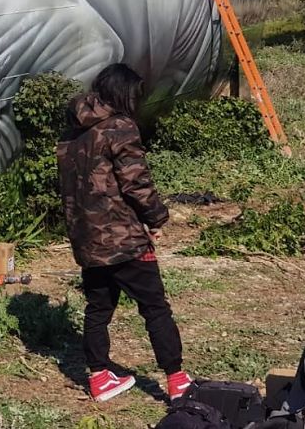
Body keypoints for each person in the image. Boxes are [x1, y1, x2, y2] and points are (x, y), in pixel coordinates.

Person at [57, 63, 192, 404]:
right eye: (134, 93)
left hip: (87, 239)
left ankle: (100, 377)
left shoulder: (71, 133)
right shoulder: (119, 127)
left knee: (98, 308)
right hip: (123, 239)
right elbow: (136, 182)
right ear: (122, 93)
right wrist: (157, 217)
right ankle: (177, 380)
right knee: (155, 307)